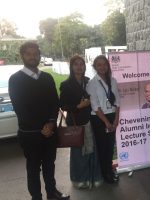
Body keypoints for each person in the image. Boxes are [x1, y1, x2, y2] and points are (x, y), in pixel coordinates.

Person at [8, 41, 69, 200]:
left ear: (39, 56)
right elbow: (20, 108)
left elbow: (54, 103)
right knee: (33, 168)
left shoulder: (47, 78)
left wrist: (50, 123)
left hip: (50, 132)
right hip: (30, 134)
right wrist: (42, 127)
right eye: (28, 54)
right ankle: (36, 196)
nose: (32, 57)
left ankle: (52, 192)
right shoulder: (15, 80)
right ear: (22, 56)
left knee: (50, 165)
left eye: (35, 54)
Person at [59, 55, 102, 189]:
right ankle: (80, 179)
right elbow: (63, 105)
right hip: (76, 123)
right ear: (71, 67)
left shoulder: (88, 81)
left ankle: (93, 177)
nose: (79, 67)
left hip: (89, 121)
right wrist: (79, 106)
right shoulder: (65, 84)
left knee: (91, 151)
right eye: (76, 64)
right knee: (78, 153)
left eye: (81, 64)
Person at [86, 55, 120, 184]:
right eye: (99, 64)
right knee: (103, 147)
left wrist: (116, 119)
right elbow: (95, 106)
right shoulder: (92, 83)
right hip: (99, 118)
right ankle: (105, 173)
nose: (102, 67)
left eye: (104, 64)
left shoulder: (113, 80)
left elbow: (117, 101)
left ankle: (110, 169)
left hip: (112, 115)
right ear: (95, 67)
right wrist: (106, 122)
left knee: (110, 146)